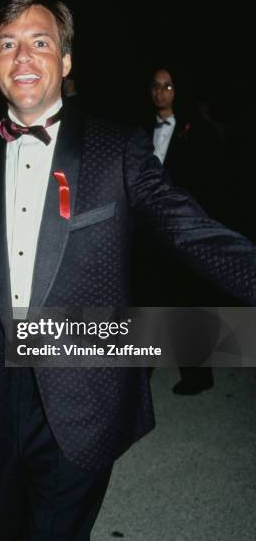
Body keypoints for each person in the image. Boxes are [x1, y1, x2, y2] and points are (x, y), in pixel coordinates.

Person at [0, 0, 255, 540]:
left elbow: (194, 233)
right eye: (7, 45)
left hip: (84, 390)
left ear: (64, 62)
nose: (22, 58)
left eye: (40, 43)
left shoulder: (118, 150)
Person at [134, 64, 228, 395]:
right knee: (144, 304)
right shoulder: (139, 130)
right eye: (156, 85)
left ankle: (198, 376)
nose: (160, 92)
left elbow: (211, 186)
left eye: (168, 86)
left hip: (183, 232)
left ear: (179, 91)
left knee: (187, 304)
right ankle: (137, 377)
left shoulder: (198, 132)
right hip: (146, 234)